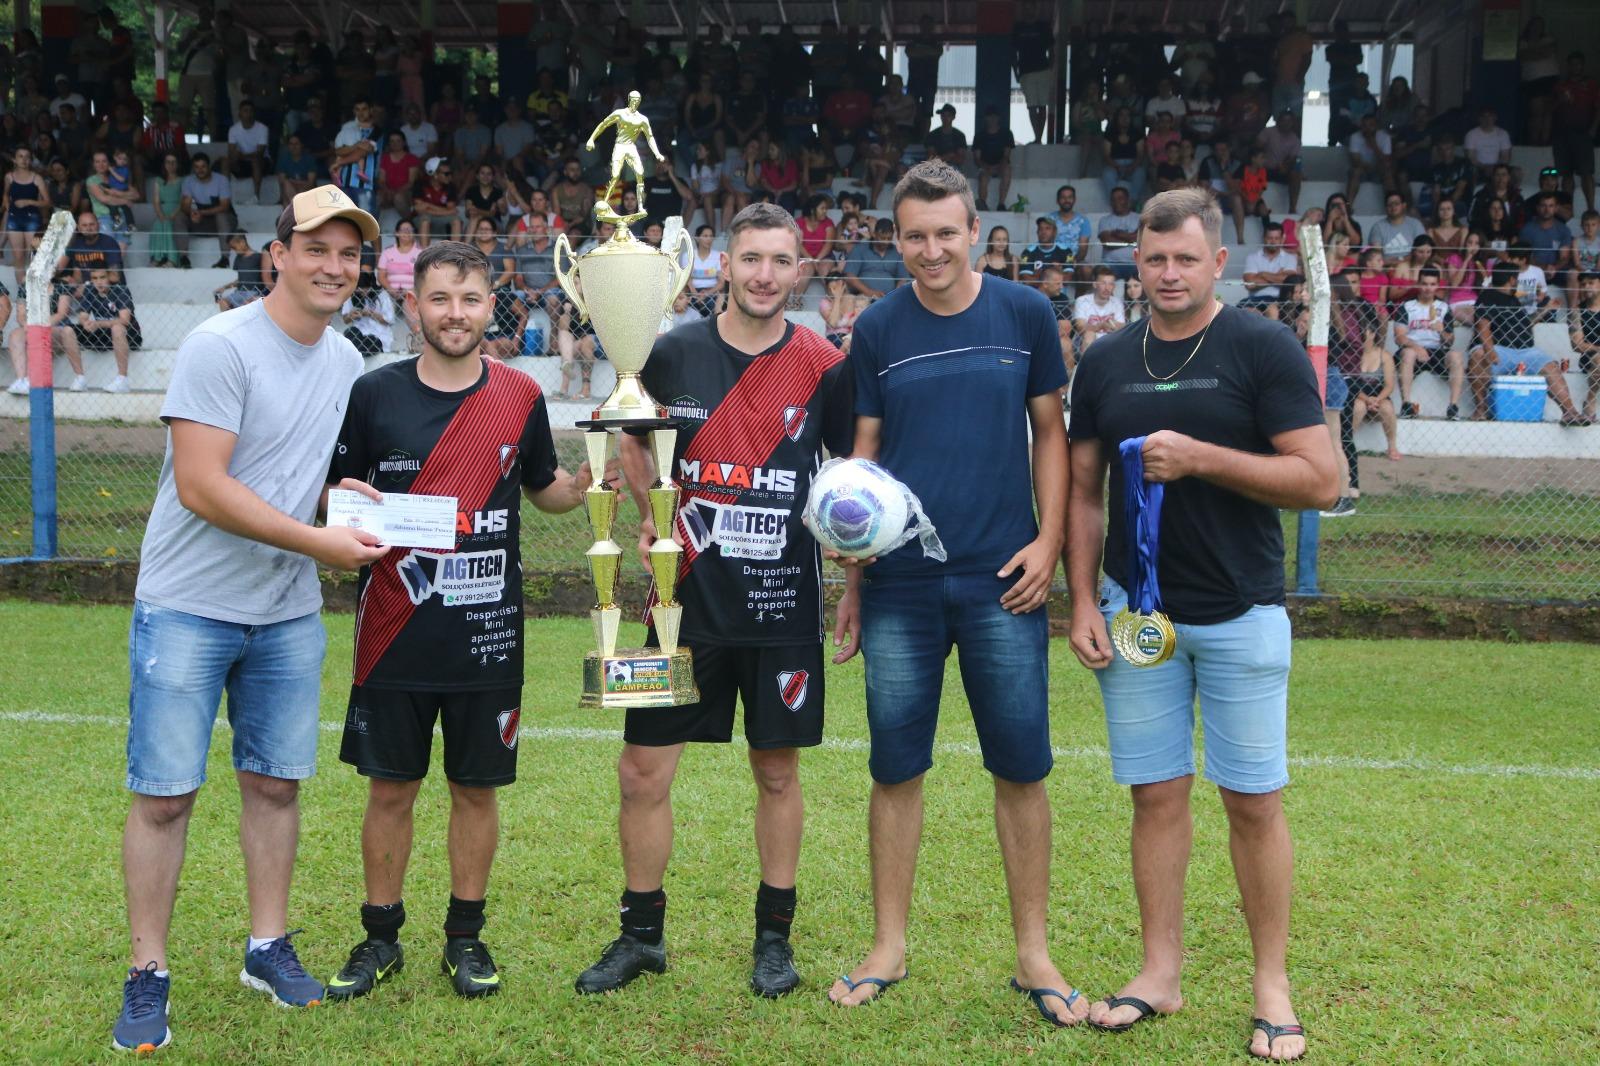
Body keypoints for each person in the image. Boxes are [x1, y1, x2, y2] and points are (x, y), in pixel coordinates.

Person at [1064, 187, 1338, 1062]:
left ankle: (1271, 985)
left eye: (1186, 258)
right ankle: (1159, 973)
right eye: (1153, 260)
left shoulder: (1262, 347)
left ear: (1219, 261)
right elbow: (1078, 493)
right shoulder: (1105, 362)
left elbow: (1322, 481)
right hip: (1136, 616)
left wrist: (1203, 459)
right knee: (1156, 795)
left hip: (1241, 612)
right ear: (1133, 264)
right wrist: (1080, 601)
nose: (1169, 274)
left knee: (1254, 804)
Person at [111, 186, 386, 1054]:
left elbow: (293, 473)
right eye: (317, 250)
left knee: (275, 783)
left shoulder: (345, 361)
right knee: (165, 796)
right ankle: (147, 973)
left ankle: (267, 947)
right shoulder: (218, 345)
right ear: (278, 255)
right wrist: (316, 535)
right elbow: (204, 483)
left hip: (284, 611)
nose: (334, 267)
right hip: (190, 605)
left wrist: (341, 502)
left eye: (349, 254)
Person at [572, 203, 853, 999]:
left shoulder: (824, 364)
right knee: (641, 773)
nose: (765, 275)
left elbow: (848, 470)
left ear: (802, 270)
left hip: (780, 607)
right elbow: (631, 435)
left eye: (781, 261)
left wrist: (844, 532)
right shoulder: (670, 352)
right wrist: (651, 507)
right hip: (679, 605)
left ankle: (773, 941)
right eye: (750, 259)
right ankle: (641, 938)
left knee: (775, 772)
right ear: (723, 265)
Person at [828, 161, 1083, 1027]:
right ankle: (888, 946)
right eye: (913, 235)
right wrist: (853, 585)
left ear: (974, 231)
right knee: (896, 767)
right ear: (894, 239)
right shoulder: (878, 328)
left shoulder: (1024, 313)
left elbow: (1051, 430)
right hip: (899, 582)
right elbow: (861, 464)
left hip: (1002, 582)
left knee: (1020, 768)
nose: (930, 250)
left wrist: (1047, 541)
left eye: (946, 233)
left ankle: (1033, 952)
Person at [322, 240, 601, 1002]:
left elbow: (542, 489)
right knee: (390, 790)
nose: (455, 314)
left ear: (490, 307)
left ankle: (465, 939)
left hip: (487, 636)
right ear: (414, 305)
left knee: (476, 790)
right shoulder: (374, 395)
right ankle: (380, 939)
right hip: (394, 630)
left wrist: (585, 485)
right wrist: (344, 510)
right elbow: (332, 499)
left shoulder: (518, 396)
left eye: (470, 299)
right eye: (440, 299)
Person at [1468, 262, 1590, 425]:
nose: (1517, 282)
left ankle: (1570, 413)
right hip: (1499, 351)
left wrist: (1545, 309)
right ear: (1512, 279)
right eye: (1517, 278)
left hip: (1526, 351)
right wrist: (1490, 351)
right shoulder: (1488, 296)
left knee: (1550, 365)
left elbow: (1526, 325)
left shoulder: (1514, 299)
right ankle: (1481, 409)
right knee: (1478, 354)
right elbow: (1483, 326)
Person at [1395, 267, 1466, 420]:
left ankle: (1453, 407)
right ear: (1418, 284)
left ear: (1437, 285)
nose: (1428, 288)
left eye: (1432, 284)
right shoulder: (1407, 306)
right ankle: (1406, 405)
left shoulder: (1443, 308)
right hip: (1413, 350)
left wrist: (1442, 331)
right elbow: (1399, 337)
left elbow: (1450, 340)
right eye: (1425, 284)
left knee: (1456, 356)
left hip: (1437, 351)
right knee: (1408, 353)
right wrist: (1417, 347)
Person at [5, 269, 85, 395]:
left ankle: (80, 378)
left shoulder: (61, 285)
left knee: (60, 331)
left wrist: (40, 325)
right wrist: (27, 325)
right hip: (32, 328)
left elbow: (61, 313)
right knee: (15, 335)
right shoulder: (26, 287)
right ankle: (23, 380)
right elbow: (21, 315)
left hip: (56, 328)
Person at [71, 266, 141, 392]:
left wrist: (98, 324)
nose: (98, 282)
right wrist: (85, 322)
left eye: (102, 277)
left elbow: (125, 320)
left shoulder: (120, 290)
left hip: (128, 335)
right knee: (67, 331)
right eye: (95, 278)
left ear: (109, 277)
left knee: (117, 328)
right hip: (102, 334)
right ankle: (80, 378)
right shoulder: (90, 290)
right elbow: (83, 315)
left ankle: (122, 380)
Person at [1552, 53, 1599, 212]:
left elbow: (1598, 107)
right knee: (1566, 173)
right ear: (1568, 66)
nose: (1575, 67)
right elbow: (1550, 109)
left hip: (1583, 132)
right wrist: (1561, 100)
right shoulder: (1560, 86)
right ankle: (1568, 207)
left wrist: (1593, 128)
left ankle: (1591, 208)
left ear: (1583, 65)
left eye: (1578, 64)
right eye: (1572, 64)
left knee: (1586, 173)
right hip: (1562, 134)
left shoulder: (1591, 84)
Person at [179, 152, 237, 268]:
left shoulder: (221, 180)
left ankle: (225, 259)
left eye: (203, 166)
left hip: (224, 221)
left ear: (209, 166)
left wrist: (201, 213)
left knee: (221, 215)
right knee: (179, 218)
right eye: (196, 167)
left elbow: (224, 206)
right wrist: (191, 213)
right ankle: (183, 258)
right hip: (201, 221)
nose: (200, 170)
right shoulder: (188, 181)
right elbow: (185, 205)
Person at [3, 146, 50, 271]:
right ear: (14, 160)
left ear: (30, 160)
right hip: (14, 219)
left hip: (32, 219)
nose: (24, 159)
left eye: (27, 157)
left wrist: (28, 201)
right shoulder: (9, 177)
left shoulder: (37, 178)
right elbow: (6, 193)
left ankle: (33, 289)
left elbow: (47, 202)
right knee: (18, 258)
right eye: (20, 156)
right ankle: (20, 289)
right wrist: (5, 199)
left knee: (34, 256)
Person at [1239, 222, 1297, 314]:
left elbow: (1289, 282)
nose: (1273, 242)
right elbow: (1250, 284)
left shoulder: (1290, 258)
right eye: (1270, 238)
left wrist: (1263, 274)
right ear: (1264, 238)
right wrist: (1278, 276)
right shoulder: (1252, 257)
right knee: (1243, 309)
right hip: (1256, 300)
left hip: (1280, 300)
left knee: (1272, 311)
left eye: (1276, 238)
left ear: (1282, 239)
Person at [1073, 265, 1127, 359]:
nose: (1107, 288)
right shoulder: (1082, 301)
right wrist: (1101, 326)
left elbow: (1122, 327)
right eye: (1103, 283)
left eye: (1111, 284)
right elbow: (1080, 327)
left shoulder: (1117, 302)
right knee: (1090, 334)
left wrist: (1113, 326)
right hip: (1085, 343)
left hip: (1110, 341)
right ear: (1095, 284)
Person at [1567, 271, 1600, 421]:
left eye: (1591, 283)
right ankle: (1590, 399)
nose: (1587, 287)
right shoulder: (1577, 312)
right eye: (1584, 284)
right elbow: (1578, 345)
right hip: (1590, 357)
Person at [213, 232, 275, 311]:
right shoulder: (238, 259)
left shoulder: (258, 257)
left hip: (254, 292)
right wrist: (224, 288)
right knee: (223, 302)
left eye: (234, 247)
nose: (234, 251)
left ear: (242, 242)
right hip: (239, 292)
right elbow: (241, 279)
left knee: (247, 305)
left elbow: (265, 277)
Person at [339, 271, 396, 356]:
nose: (361, 291)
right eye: (359, 288)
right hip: (359, 334)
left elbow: (389, 320)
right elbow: (345, 320)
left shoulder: (382, 296)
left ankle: (360, 352)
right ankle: (359, 352)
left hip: (378, 335)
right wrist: (351, 316)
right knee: (350, 332)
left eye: (364, 288)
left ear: (370, 286)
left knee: (370, 341)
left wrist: (370, 314)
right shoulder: (353, 295)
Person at [226, 99, 271, 200]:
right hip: (242, 162)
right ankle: (225, 196)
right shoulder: (233, 129)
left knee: (255, 161)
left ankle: (256, 197)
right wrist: (236, 156)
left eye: (250, 111)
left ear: (254, 113)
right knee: (225, 161)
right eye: (245, 110)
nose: (248, 113)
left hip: (262, 162)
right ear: (240, 113)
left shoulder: (262, 128)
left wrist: (242, 156)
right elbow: (230, 152)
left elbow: (260, 153)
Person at [973, 108, 1015, 211]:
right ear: (985, 118)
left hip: (1001, 165)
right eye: (989, 116)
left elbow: (1006, 156)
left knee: (1007, 170)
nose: (992, 119)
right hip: (984, 167)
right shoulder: (979, 135)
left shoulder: (1007, 133)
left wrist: (997, 166)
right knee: (983, 177)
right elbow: (977, 159)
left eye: (994, 116)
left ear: (998, 118)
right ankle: (983, 204)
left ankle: (1001, 204)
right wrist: (987, 167)